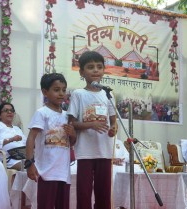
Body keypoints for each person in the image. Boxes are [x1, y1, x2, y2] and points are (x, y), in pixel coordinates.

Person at [67, 51, 117, 209]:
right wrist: (91, 124)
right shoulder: (78, 94)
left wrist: (112, 130)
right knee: (84, 192)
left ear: (104, 70)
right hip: (85, 152)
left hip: (104, 150)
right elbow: (72, 123)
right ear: (82, 72)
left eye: (99, 67)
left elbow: (113, 122)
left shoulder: (108, 94)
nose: (95, 70)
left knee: (104, 193)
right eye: (90, 67)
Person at [25, 73, 76, 209]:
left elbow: (72, 142)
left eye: (64, 90)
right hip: (46, 172)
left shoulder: (67, 116)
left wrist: (72, 134)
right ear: (45, 92)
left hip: (64, 173)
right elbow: (31, 138)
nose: (61, 93)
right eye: (56, 89)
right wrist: (29, 163)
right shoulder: (42, 113)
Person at [0, 102, 26, 170]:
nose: (10, 112)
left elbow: (25, 143)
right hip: (7, 159)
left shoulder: (17, 129)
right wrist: (11, 140)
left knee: (40, 164)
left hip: (22, 156)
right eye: (6, 110)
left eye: (12, 110)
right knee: (30, 167)